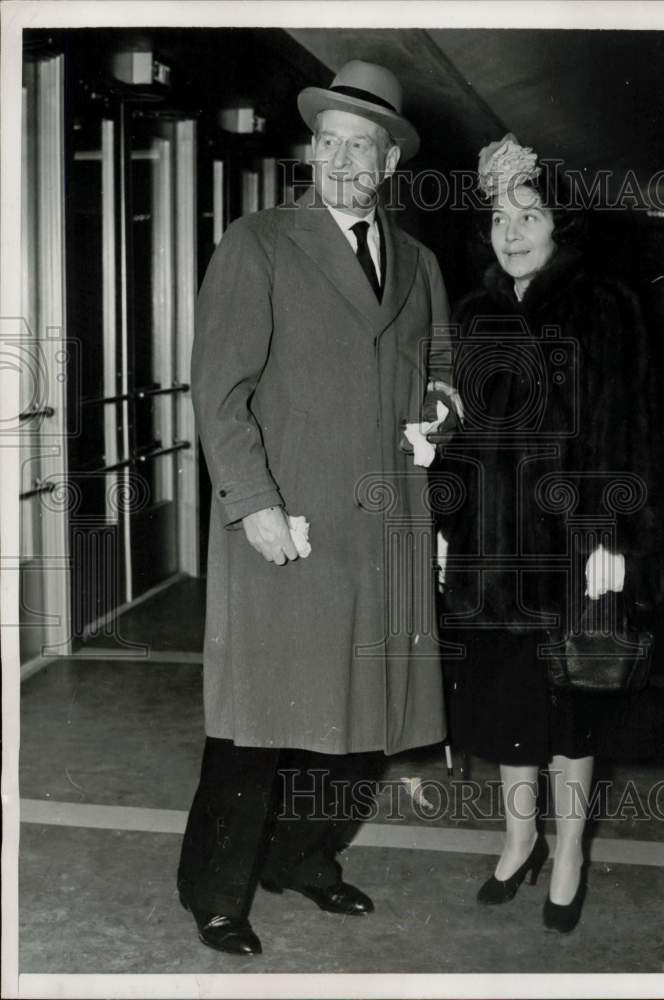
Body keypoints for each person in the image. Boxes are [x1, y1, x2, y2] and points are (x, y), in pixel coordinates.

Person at [177, 60, 457, 956]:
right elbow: (220, 391)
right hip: (287, 524)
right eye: (328, 143)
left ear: (389, 164)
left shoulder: (420, 263)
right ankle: (216, 893)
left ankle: (305, 860)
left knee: (363, 720)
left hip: (385, 526)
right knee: (261, 719)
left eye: (361, 148)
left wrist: (439, 424)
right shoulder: (258, 242)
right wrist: (254, 505)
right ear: (311, 151)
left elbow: (444, 375)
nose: (342, 161)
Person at [435, 135, 659, 932]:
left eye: (530, 213)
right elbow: (460, 436)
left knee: (569, 705)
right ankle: (518, 838)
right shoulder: (475, 312)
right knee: (505, 709)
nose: (513, 230)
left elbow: (623, 431)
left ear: (561, 223)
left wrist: (611, 537)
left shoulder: (603, 305)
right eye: (501, 216)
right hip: (491, 550)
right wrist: (443, 514)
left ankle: (568, 852)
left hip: (570, 549)